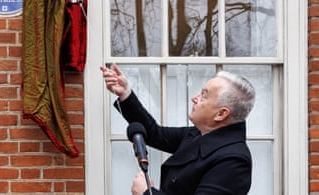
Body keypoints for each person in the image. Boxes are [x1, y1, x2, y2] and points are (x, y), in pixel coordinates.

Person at [100, 63, 256, 195]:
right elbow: (155, 134)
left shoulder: (233, 160)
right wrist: (125, 93)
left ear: (221, 114)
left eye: (204, 96)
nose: (194, 99)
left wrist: (147, 193)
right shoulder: (198, 134)